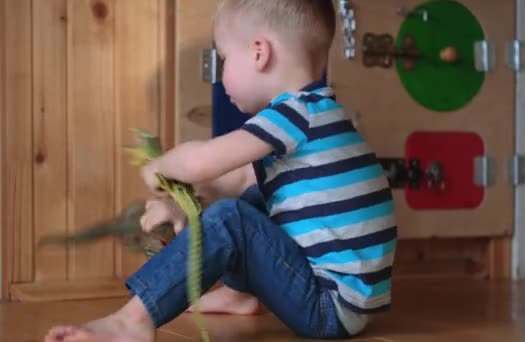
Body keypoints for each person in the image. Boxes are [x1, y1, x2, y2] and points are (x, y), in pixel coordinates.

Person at [44, 0, 397, 341]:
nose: (221, 70)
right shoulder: (320, 115)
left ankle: (131, 321)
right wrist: (179, 205)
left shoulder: (294, 115)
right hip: (347, 303)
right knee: (253, 196)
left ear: (260, 53)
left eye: (224, 58)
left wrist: (161, 166)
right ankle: (238, 294)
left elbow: (200, 164)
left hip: (327, 307)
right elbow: (236, 180)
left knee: (233, 219)